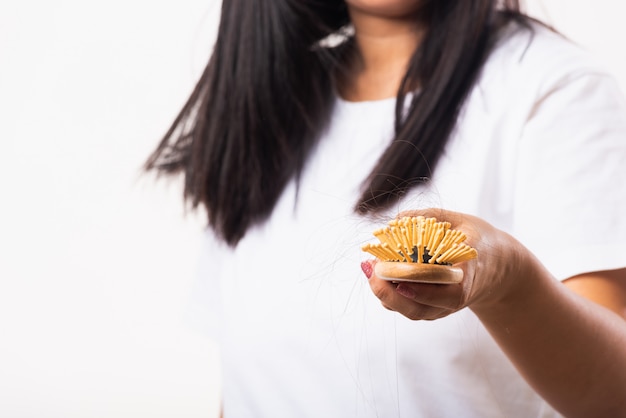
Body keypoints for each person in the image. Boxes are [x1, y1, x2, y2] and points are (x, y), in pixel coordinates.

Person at [145, 0, 626, 416]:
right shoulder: (267, 104)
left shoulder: (555, 90)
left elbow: (613, 396)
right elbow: (249, 386)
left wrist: (505, 278)